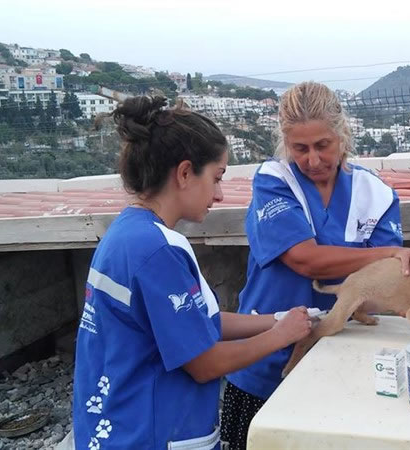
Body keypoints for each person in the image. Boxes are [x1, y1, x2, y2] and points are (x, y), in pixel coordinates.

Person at [71, 96, 312, 450]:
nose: (218, 194)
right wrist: (279, 338)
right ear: (184, 173)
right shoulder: (158, 252)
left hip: (114, 425)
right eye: (216, 178)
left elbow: (199, 324)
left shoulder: (127, 233)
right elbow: (204, 363)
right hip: (153, 434)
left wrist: (276, 320)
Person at [221, 82, 410, 449]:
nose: (312, 160)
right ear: (285, 144)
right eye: (299, 148)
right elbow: (305, 259)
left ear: (343, 135)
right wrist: (386, 255)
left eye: (323, 145)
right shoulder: (275, 181)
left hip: (341, 362)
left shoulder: (377, 194)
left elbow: (380, 288)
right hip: (264, 365)